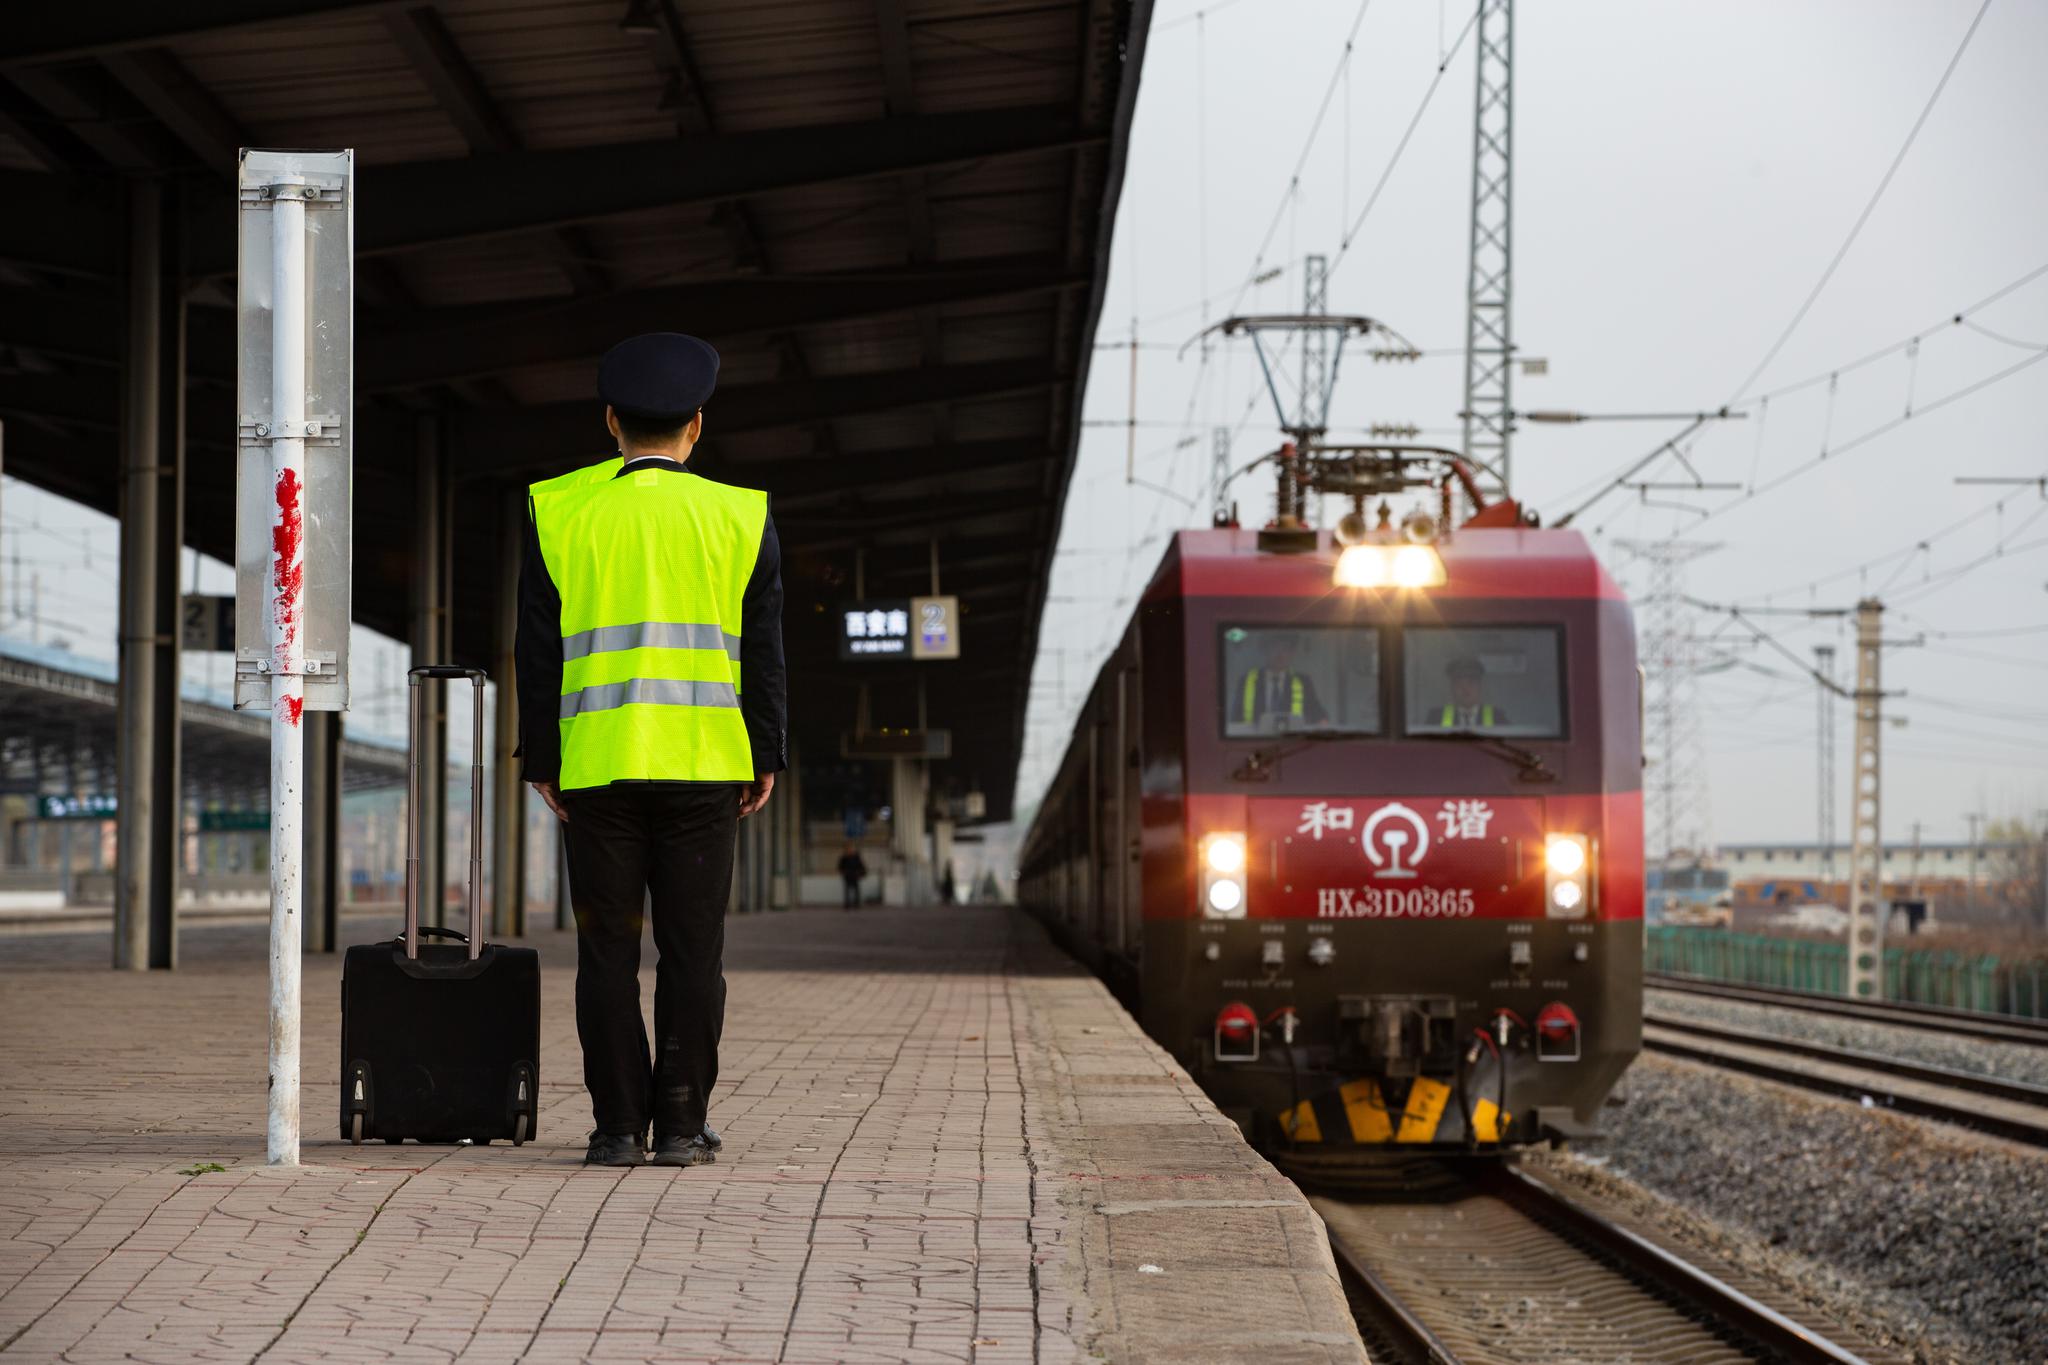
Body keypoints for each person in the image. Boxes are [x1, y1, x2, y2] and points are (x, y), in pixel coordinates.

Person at [516, 332, 786, 1170]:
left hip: (597, 769)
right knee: (692, 954)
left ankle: (616, 1129)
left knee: (605, 953)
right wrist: (765, 751)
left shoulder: (556, 510)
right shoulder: (743, 515)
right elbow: (766, 653)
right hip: (706, 767)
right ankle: (678, 1124)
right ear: (697, 427)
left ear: (610, 423)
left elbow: (536, 647)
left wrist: (543, 760)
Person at [1233, 635, 1327, 732]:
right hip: (1255, 741)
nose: (1280, 654)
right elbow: (1235, 718)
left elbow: (1317, 712)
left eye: (1285, 649)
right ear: (1265, 650)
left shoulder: (1304, 681)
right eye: (1275, 647)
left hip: (1293, 741)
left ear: (1292, 653)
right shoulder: (1246, 681)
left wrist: (1322, 724)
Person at [1436, 656, 1507, 729]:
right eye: (1459, 684)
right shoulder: (1437, 717)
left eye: (1471, 683)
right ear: (1452, 688)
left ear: (1480, 687)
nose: (1465, 689)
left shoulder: (1497, 717)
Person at [837, 843, 867, 909]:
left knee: (856, 890)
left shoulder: (856, 857)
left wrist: (861, 873)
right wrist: (843, 872)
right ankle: (847, 904)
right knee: (847, 891)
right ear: (846, 849)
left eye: (851, 848)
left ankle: (856, 904)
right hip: (847, 876)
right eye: (849, 849)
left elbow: (861, 865)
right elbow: (840, 867)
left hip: (855, 876)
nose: (850, 850)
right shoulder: (844, 857)